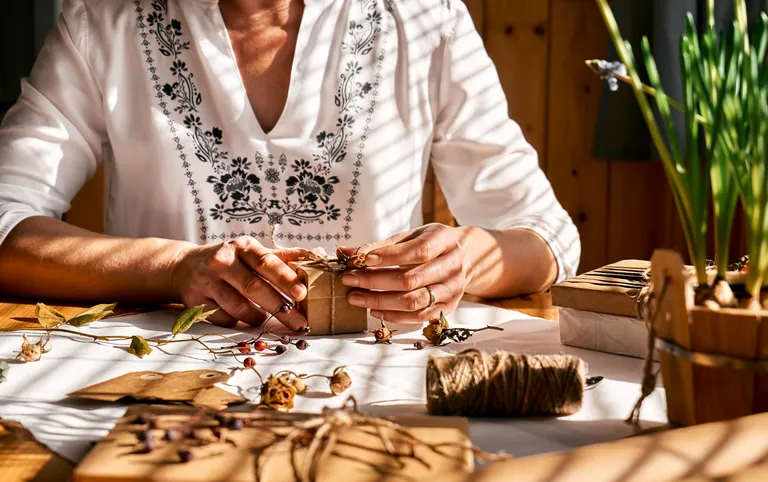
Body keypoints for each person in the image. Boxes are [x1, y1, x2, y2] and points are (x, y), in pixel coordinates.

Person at [0, 0, 580, 330]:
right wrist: (174, 267)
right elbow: (6, 221)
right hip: (163, 387)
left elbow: (548, 237)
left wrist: (459, 262)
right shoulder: (102, 24)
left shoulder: (425, 18)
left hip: (380, 392)